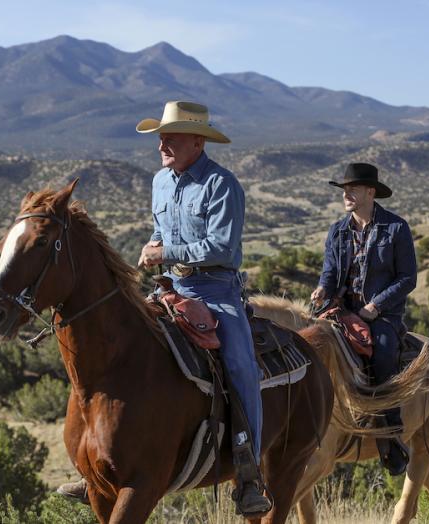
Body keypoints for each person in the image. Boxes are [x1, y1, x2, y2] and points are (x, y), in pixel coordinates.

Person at [58, 101, 272, 516]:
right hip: (170, 286)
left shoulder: (221, 184)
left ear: (197, 141)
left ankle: (248, 471)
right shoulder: (160, 181)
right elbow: (161, 231)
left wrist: (165, 251)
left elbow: (223, 248)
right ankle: (98, 465)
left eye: (170, 137)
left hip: (215, 291)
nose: (161, 144)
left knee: (240, 365)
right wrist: (156, 250)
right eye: (160, 137)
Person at [310, 162, 417, 475]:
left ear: (370, 192)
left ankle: (391, 433)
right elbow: (330, 273)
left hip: (381, 315)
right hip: (342, 310)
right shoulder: (337, 231)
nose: (346, 195)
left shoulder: (396, 229)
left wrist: (375, 307)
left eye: (352, 189)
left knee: (383, 356)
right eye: (344, 189)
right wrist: (322, 289)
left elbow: (407, 278)